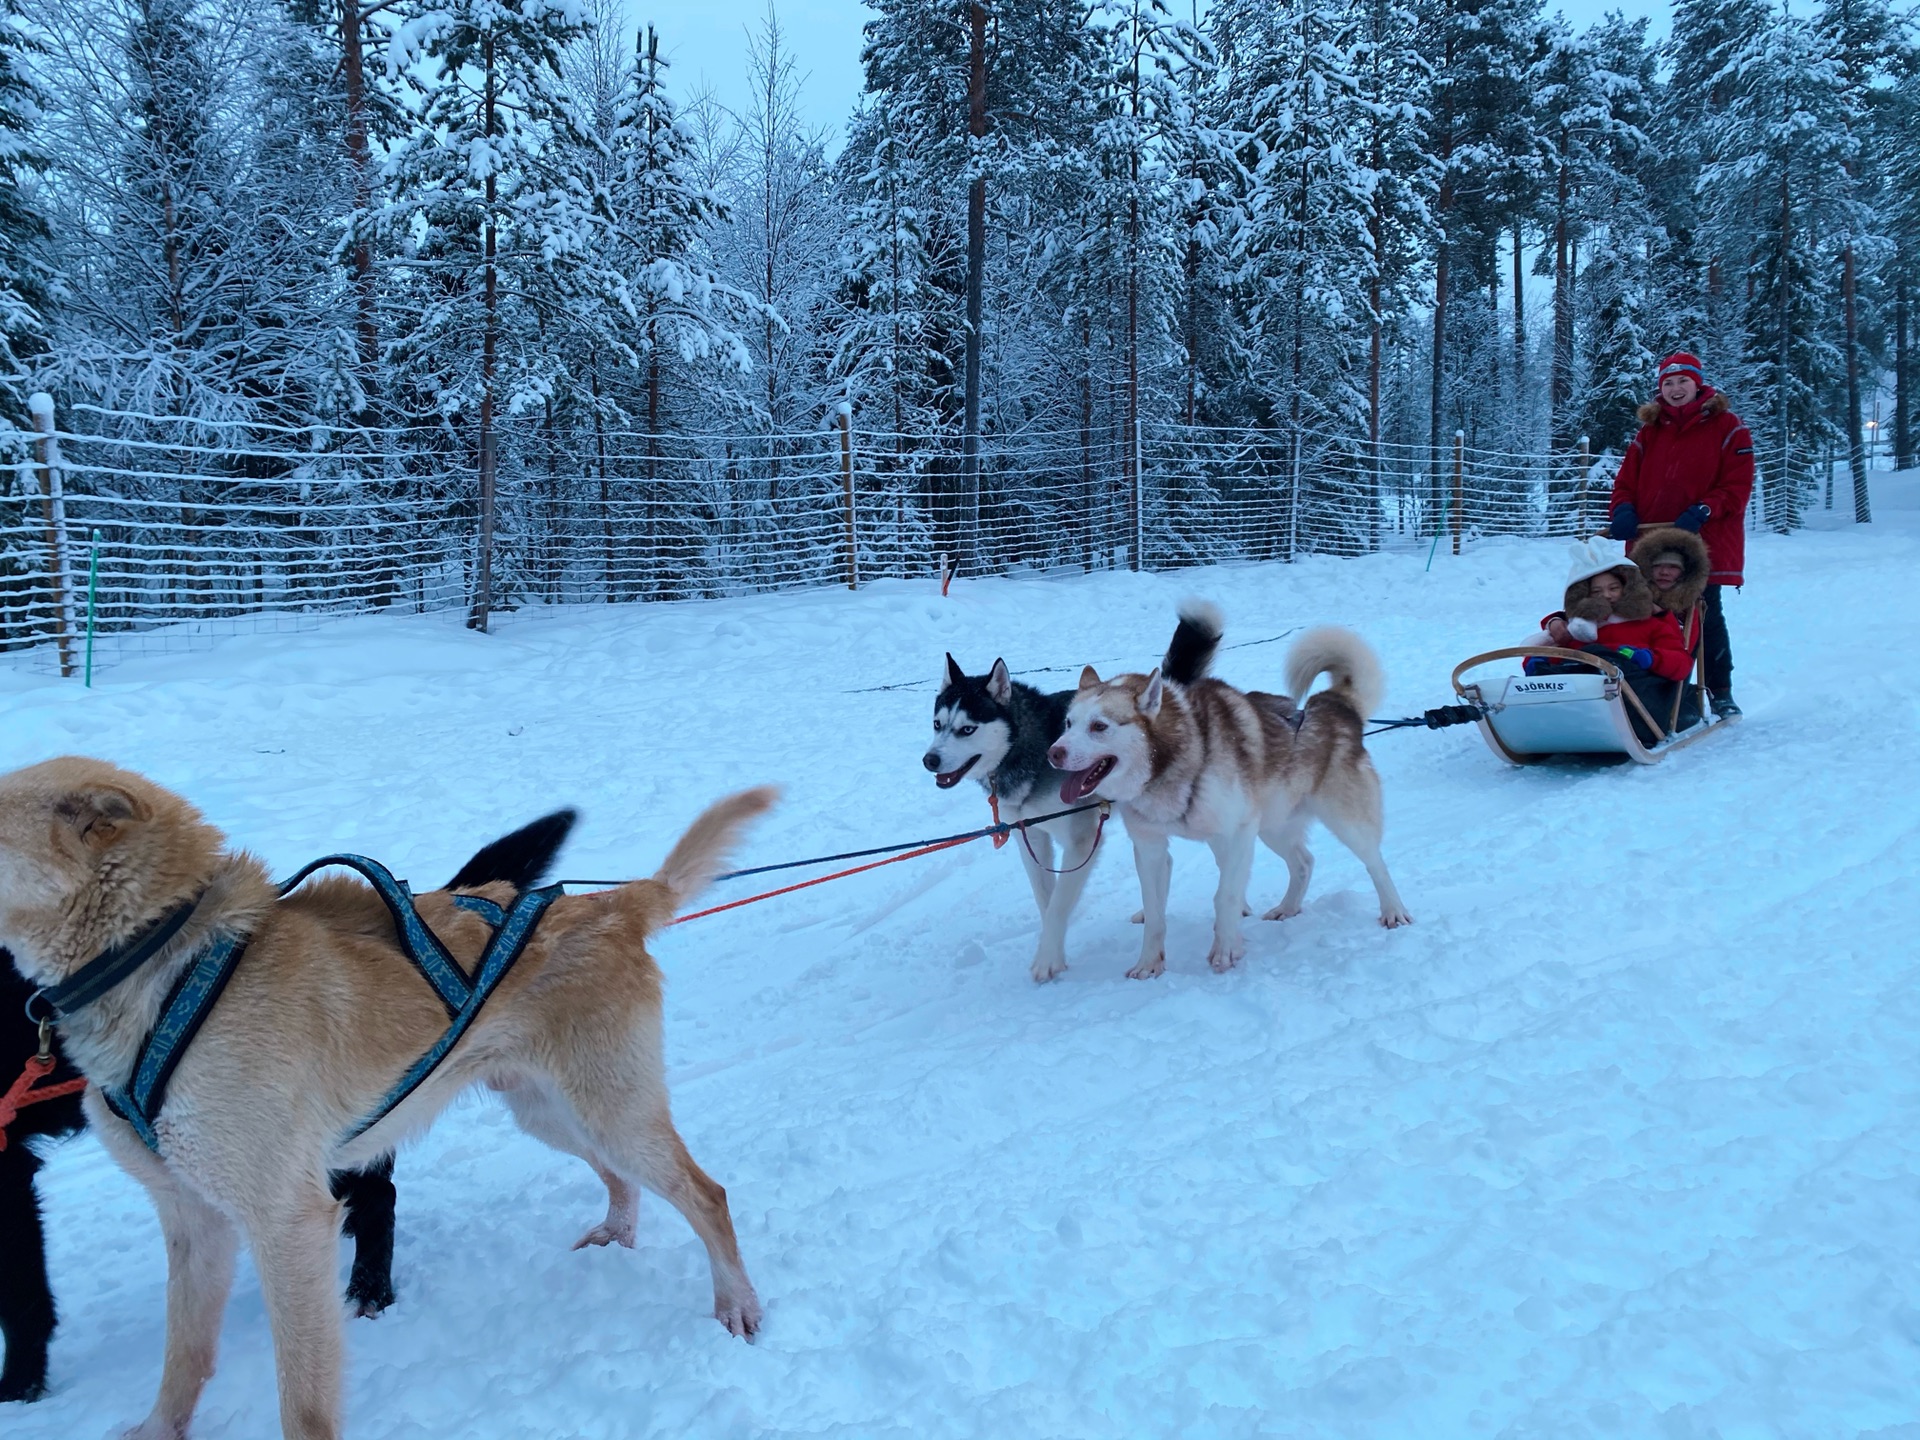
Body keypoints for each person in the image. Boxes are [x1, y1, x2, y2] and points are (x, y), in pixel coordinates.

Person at [1607, 352, 1754, 719]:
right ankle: (1653, 688)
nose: (1675, 389)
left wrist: (1706, 508)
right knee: (1646, 614)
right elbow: (1625, 482)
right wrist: (1623, 510)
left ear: (1698, 383)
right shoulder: (1648, 432)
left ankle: (1720, 690)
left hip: (1704, 541)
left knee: (1703, 614)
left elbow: (1737, 485)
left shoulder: (1729, 428)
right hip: (1649, 542)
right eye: (1668, 383)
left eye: (1682, 381)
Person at [1522, 538, 1695, 742]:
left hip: (1637, 698)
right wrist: (1538, 662)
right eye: (1597, 591)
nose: (1607, 596)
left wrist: (1650, 658)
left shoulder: (1651, 623)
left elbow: (1682, 664)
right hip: (1584, 697)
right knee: (1566, 668)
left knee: (1603, 661)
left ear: (1626, 589)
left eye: (1613, 588)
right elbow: (1561, 660)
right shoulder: (1582, 629)